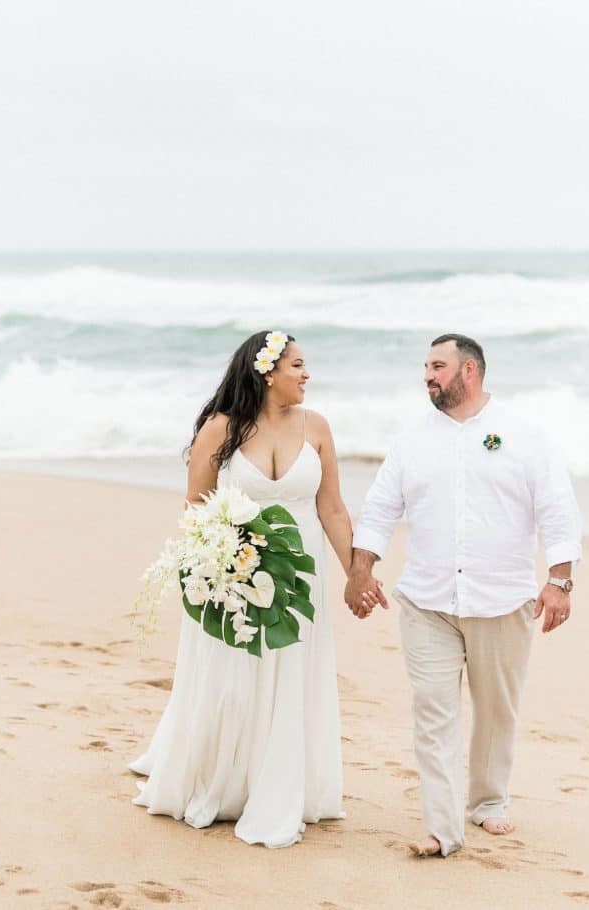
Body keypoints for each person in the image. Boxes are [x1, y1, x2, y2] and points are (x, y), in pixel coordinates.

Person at [130, 330, 384, 847]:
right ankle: (225, 781)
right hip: (233, 573)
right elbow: (195, 508)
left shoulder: (317, 428)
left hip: (300, 574)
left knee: (290, 674)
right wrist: (213, 570)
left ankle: (279, 783)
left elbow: (331, 508)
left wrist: (359, 573)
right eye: (297, 365)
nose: (306, 374)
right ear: (267, 372)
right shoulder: (220, 428)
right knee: (233, 679)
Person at [344, 333, 582, 858]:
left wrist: (560, 581)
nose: (427, 375)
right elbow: (382, 507)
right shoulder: (412, 439)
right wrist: (361, 571)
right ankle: (442, 829)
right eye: (426, 366)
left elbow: (557, 509)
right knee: (433, 710)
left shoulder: (522, 435)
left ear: (468, 370)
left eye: (437, 366)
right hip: (426, 601)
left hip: (503, 599)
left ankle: (488, 801)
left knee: (497, 710)